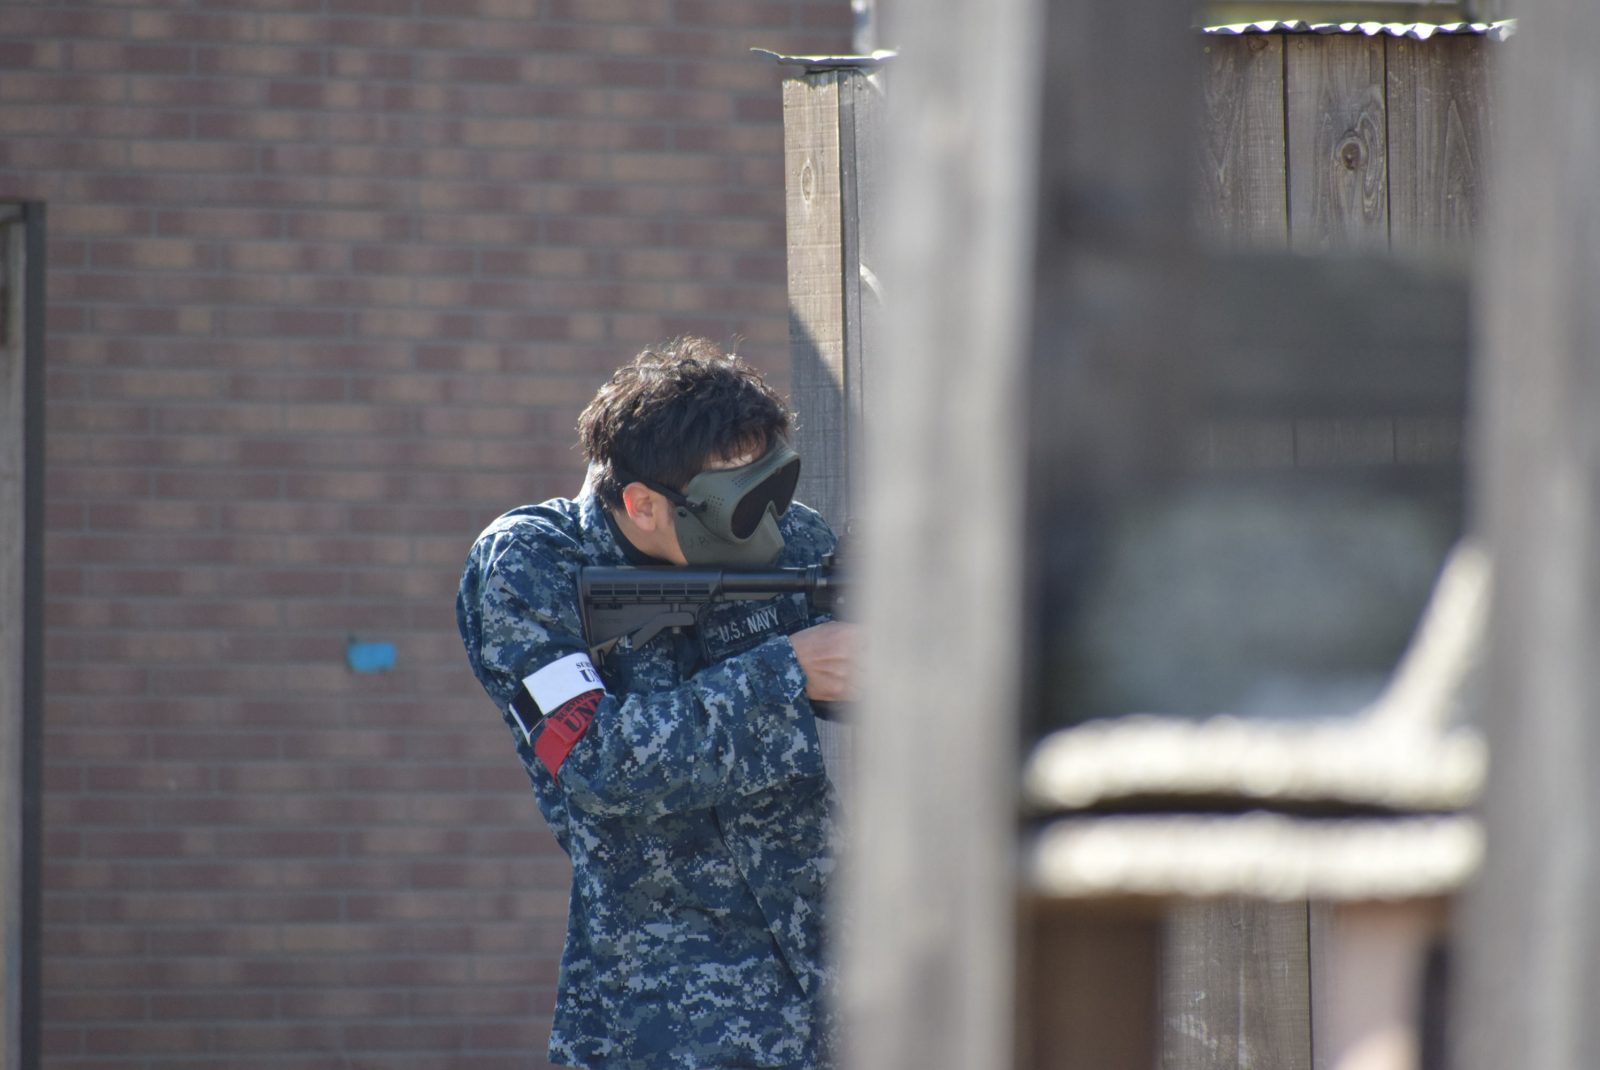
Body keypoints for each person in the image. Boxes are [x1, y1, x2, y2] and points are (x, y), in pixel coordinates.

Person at [456, 337, 854, 1070]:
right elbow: (596, 761)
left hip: (837, 988)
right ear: (642, 504)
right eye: (738, 506)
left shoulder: (793, 539)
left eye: (771, 488)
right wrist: (788, 673)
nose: (769, 526)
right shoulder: (532, 564)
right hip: (665, 1013)